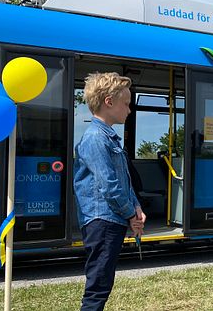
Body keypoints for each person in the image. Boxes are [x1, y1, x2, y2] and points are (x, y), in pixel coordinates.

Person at [73, 72, 147, 311]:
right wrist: (129, 214)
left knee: (102, 282)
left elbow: (122, 180)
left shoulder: (108, 138)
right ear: (109, 102)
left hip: (110, 219)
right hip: (102, 220)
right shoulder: (96, 138)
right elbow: (109, 185)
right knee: (98, 285)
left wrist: (135, 208)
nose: (129, 109)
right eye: (126, 103)